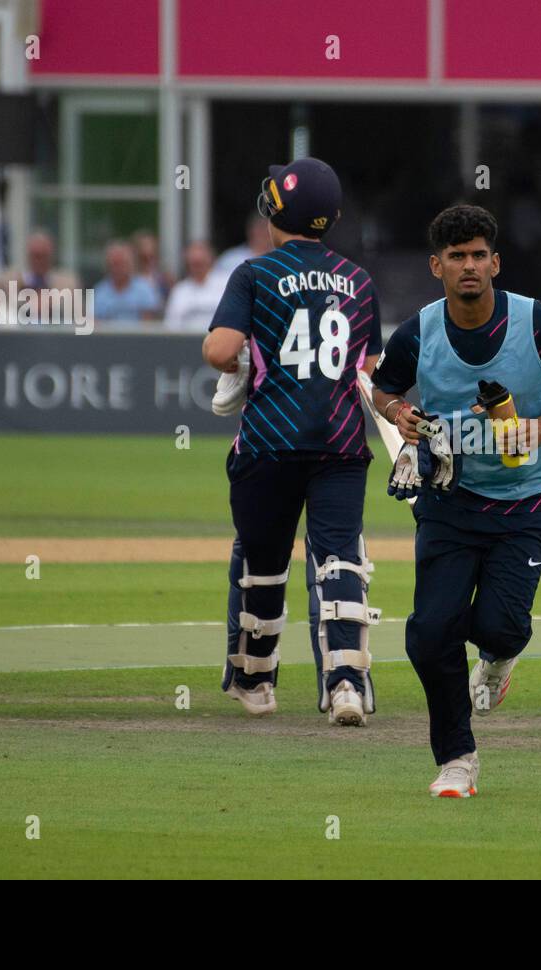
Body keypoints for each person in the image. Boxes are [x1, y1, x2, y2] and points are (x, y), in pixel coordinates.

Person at [370, 204, 541, 798]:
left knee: (501, 625)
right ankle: (457, 759)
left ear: (495, 262)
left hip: (524, 500)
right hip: (450, 497)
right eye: (456, 257)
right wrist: (400, 415)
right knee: (428, 634)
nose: (468, 266)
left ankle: (498, 657)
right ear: (436, 266)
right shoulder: (419, 330)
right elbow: (383, 387)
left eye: (478, 255)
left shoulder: (539, 323)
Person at [202, 157, 384, 727]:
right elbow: (370, 371)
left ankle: (256, 681)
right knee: (340, 562)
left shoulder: (254, 274)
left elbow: (216, 349)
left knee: (262, 562)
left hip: (268, 443)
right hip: (339, 444)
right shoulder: (357, 280)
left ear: (276, 209)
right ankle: (347, 683)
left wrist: (242, 360)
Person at [163, 240, 227, 332]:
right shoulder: (180, 290)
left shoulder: (227, 284)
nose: (198, 267)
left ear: (210, 259)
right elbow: (171, 326)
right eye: (194, 264)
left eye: (201, 262)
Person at [91, 240, 160, 326]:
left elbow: (149, 325)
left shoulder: (144, 289)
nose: (117, 269)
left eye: (121, 264)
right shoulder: (99, 291)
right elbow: (94, 323)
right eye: (114, 264)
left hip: (138, 338)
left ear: (130, 264)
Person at [131, 229, 173, 300]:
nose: (148, 249)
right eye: (144, 245)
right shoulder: (131, 276)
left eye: (150, 244)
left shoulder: (164, 276)